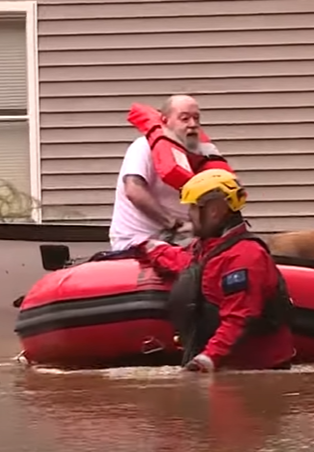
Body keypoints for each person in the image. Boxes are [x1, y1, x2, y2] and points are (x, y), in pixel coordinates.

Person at [137, 169, 295, 372]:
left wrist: (208, 359)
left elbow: (240, 318)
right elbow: (188, 266)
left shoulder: (244, 257)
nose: (189, 215)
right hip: (225, 365)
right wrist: (154, 250)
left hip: (252, 370)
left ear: (214, 210)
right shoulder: (209, 248)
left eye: (193, 208)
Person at [109, 95, 222, 251]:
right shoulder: (143, 147)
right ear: (165, 120)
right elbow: (133, 190)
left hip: (187, 239)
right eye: (185, 119)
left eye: (196, 118)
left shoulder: (207, 153)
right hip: (139, 240)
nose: (193, 124)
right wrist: (173, 223)